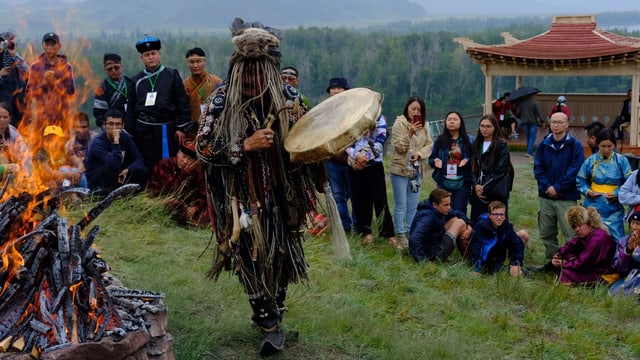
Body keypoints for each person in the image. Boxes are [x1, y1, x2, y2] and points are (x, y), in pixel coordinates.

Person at [195, 18, 319, 356]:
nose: (251, 78)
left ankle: (273, 313)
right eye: (245, 70)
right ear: (236, 68)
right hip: (240, 202)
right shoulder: (220, 101)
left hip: (282, 196)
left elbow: (312, 142)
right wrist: (243, 146)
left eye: (257, 70)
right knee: (250, 257)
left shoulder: (291, 100)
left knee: (281, 258)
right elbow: (202, 147)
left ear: (270, 69)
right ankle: (268, 324)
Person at [126, 35, 191, 172]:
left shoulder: (171, 75)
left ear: (159, 54)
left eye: (153, 53)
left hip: (166, 128)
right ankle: (149, 191)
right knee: (147, 163)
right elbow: (131, 109)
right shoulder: (136, 80)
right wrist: (130, 134)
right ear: (141, 58)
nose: (151, 57)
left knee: (168, 163)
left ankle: (169, 191)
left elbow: (182, 103)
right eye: (147, 54)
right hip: (143, 129)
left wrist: (182, 128)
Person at [534, 111, 585, 263]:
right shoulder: (544, 144)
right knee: (546, 232)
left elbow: (574, 170)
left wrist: (558, 188)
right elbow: (538, 168)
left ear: (567, 124)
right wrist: (547, 187)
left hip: (566, 197)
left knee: (570, 231)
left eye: (560, 122)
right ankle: (552, 260)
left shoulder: (575, 146)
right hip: (546, 196)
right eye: (553, 122)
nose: (555, 125)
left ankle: (571, 262)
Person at [347, 111, 396, 248]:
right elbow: (345, 141)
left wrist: (364, 157)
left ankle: (388, 234)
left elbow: (380, 140)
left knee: (381, 200)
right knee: (361, 201)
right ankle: (366, 233)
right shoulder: (350, 117)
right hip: (355, 165)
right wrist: (356, 156)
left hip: (373, 163)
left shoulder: (379, 117)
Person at [390, 96, 433, 248]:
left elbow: (429, 144)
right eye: (412, 108)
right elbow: (399, 147)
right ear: (407, 108)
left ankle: (410, 231)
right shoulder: (399, 123)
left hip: (417, 169)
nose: (415, 112)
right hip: (400, 169)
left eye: (418, 110)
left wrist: (419, 154)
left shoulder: (425, 124)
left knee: (412, 205)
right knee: (400, 204)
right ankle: (400, 234)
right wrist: (410, 133)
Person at [577, 128, 632, 241]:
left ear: (614, 145)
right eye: (603, 146)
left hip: (614, 208)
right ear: (597, 144)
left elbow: (630, 182)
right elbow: (580, 180)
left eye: (609, 146)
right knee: (592, 238)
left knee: (617, 238)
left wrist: (617, 193)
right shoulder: (590, 161)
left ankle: (617, 259)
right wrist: (587, 191)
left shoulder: (622, 161)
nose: (606, 149)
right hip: (593, 207)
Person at [548, 206, 616, 285]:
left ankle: (564, 286)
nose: (577, 229)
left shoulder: (597, 238)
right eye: (574, 226)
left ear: (589, 223)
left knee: (567, 272)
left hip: (604, 274)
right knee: (566, 256)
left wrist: (563, 263)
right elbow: (570, 245)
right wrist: (559, 255)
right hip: (592, 268)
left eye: (580, 225)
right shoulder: (587, 234)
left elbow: (583, 263)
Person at [24, 32, 75, 137]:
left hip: (62, 115)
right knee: (40, 150)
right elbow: (29, 93)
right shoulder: (36, 67)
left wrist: (55, 83)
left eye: (53, 44)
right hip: (41, 116)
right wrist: (44, 84)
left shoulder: (66, 67)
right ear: (43, 45)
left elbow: (70, 92)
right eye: (47, 44)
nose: (50, 47)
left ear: (59, 46)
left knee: (63, 148)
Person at [148, 139, 208, 227]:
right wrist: (186, 172)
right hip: (165, 201)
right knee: (173, 205)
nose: (185, 162)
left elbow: (203, 193)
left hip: (188, 205)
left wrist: (195, 208)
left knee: (209, 207)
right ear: (178, 153)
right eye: (183, 157)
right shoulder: (165, 164)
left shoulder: (196, 171)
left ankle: (193, 222)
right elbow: (173, 191)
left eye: (190, 159)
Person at [84, 109, 147, 193]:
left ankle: (133, 194)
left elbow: (139, 159)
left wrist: (128, 170)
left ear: (123, 125)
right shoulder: (98, 142)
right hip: (98, 178)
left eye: (118, 124)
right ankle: (105, 195)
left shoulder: (125, 138)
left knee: (143, 170)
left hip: (118, 173)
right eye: (111, 124)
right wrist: (116, 142)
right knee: (110, 168)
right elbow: (114, 164)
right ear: (104, 125)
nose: (114, 128)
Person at [470, 114, 514, 223]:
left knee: (497, 222)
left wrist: (484, 187)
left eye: (488, 126)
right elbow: (473, 168)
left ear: (495, 127)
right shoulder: (476, 144)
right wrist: (475, 185)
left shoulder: (501, 145)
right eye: (482, 126)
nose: (484, 129)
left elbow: (500, 170)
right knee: (478, 222)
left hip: (495, 190)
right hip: (478, 191)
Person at [409, 188, 473, 263]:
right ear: (435, 205)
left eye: (449, 204)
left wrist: (469, 225)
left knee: (456, 219)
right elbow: (414, 238)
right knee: (460, 223)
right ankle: (470, 261)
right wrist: (422, 261)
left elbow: (458, 213)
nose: (449, 208)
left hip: (434, 243)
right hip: (432, 255)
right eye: (446, 205)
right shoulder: (427, 217)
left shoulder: (437, 209)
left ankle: (468, 259)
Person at [325, 77, 356, 232]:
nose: (336, 91)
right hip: (332, 161)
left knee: (355, 194)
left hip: (351, 160)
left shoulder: (354, 110)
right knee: (337, 195)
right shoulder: (324, 112)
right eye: (333, 88)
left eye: (339, 88)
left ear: (346, 91)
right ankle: (345, 226)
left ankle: (360, 227)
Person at [428, 110, 474, 214]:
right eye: (449, 119)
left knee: (460, 210)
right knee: (443, 210)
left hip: (462, 181)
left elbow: (476, 159)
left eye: (455, 119)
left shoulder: (469, 140)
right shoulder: (439, 140)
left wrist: (467, 160)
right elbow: (431, 159)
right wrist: (435, 160)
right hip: (443, 181)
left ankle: (459, 229)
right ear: (445, 123)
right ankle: (444, 230)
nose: (452, 122)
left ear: (461, 123)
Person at [468, 201, 526, 276]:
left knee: (517, 273)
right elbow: (475, 248)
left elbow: (516, 245)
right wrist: (475, 269)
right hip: (484, 263)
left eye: (501, 214)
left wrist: (516, 263)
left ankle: (519, 272)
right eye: (495, 214)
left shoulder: (507, 227)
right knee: (512, 274)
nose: (499, 217)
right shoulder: (481, 226)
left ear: (505, 216)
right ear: (489, 215)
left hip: (497, 262)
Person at [182, 47, 222, 137]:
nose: (195, 65)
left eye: (198, 61)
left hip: (214, 130)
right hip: (192, 131)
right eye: (192, 62)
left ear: (204, 62)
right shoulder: (184, 85)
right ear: (188, 64)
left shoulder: (216, 82)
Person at [93, 53, 133, 129]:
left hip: (132, 127)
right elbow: (99, 113)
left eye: (116, 67)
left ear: (121, 66)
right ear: (105, 70)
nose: (113, 71)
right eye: (110, 69)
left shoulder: (130, 83)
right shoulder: (102, 89)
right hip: (113, 127)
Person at [0, 31, 28, 126]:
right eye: (5, 43)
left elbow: (28, 73)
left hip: (16, 106)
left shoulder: (16, 58)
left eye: (11, 43)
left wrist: (13, 56)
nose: (8, 45)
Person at [0, 101, 31, 179]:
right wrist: (7, 167)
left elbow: (25, 155)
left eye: (5, 117)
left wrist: (27, 172)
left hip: (11, 171)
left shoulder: (14, 133)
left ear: (10, 118)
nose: (2, 120)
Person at [64, 112, 97, 185]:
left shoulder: (96, 139)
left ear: (89, 126)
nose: (81, 130)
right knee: (64, 172)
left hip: (94, 170)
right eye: (78, 127)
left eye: (84, 127)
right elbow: (75, 162)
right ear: (74, 127)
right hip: (77, 172)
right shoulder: (69, 145)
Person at [611, 211, 640, 277]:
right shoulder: (622, 242)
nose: (634, 227)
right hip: (629, 276)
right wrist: (628, 250)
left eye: (638, 224)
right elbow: (617, 267)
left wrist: (637, 250)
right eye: (632, 223)